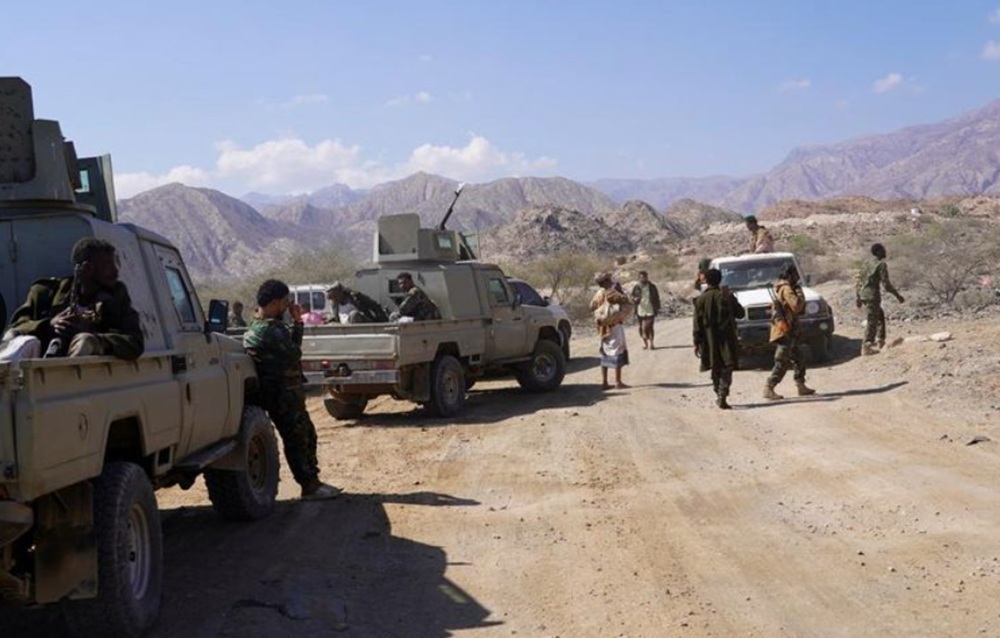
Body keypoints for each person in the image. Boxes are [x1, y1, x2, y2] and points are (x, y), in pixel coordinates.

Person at [243, 279, 341, 501]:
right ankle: (309, 485)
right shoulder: (267, 331)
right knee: (297, 439)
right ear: (275, 303)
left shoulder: (265, 327)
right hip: (281, 394)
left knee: (306, 434)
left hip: (287, 392)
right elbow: (294, 353)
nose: (287, 305)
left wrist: (297, 323)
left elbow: (291, 350)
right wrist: (296, 324)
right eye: (285, 301)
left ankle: (313, 482)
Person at [0, 237, 144, 363]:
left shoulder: (116, 297)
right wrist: (49, 324)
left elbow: (135, 343)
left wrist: (96, 339)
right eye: (108, 265)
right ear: (88, 268)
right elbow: (14, 328)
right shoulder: (46, 293)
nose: (115, 271)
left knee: (84, 341)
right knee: (24, 341)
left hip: (82, 375)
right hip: (36, 366)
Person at [693, 268, 745, 410]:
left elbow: (697, 324)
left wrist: (696, 342)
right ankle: (722, 393)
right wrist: (730, 299)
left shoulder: (701, 299)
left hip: (709, 339)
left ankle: (719, 393)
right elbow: (740, 314)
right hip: (727, 338)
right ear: (720, 279)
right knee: (727, 366)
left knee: (715, 365)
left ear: (706, 281)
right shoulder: (726, 295)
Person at [763, 264, 815, 400]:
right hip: (785, 331)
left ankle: (801, 385)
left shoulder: (785, 287)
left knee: (799, 358)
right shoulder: (787, 289)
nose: (797, 277)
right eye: (795, 274)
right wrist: (799, 293)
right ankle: (769, 387)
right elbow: (797, 306)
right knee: (782, 361)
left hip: (790, 330)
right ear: (790, 275)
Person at [855, 243, 905, 356]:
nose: (885, 252)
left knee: (879, 316)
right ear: (877, 252)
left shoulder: (866, 264)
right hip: (872, 296)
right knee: (872, 320)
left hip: (863, 295)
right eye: (883, 250)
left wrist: (858, 297)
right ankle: (866, 346)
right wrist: (898, 296)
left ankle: (880, 340)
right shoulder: (881, 265)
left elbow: (859, 281)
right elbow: (886, 284)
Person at [590, 272, 632, 390]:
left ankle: (605, 382)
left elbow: (592, 306)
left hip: (603, 327)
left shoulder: (598, 294)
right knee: (617, 351)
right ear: (605, 281)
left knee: (605, 352)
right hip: (614, 325)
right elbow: (624, 300)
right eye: (609, 280)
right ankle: (618, 382)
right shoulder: (611, 292)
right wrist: (620, 290)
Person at [630, 270, 661, 350]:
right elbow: (632, 296)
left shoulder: (652, 287)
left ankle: (651, 344)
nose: (643, 279)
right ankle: (645, 344)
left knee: (649, 327)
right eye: (641, 277)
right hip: (640, 310)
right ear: (639, 278)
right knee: (641, 327)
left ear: (647, 277)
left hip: (650, 309)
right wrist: (634, 299)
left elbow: (657, 298)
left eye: (644, 277)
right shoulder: (636, 287)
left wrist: (657, 308)